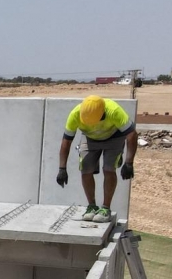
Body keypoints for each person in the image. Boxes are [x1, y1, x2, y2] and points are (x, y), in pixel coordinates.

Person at [56, 95, 138, 223]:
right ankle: (92, 206)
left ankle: (105, 208)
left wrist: (129, 163)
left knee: (109, 169)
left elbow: (132, 135)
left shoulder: (114, 110)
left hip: (114, 137)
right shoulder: (75, 114)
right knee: (85, 168)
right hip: (89, 138)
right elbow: (66, 142)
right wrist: (62, 168)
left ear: (103, 114)